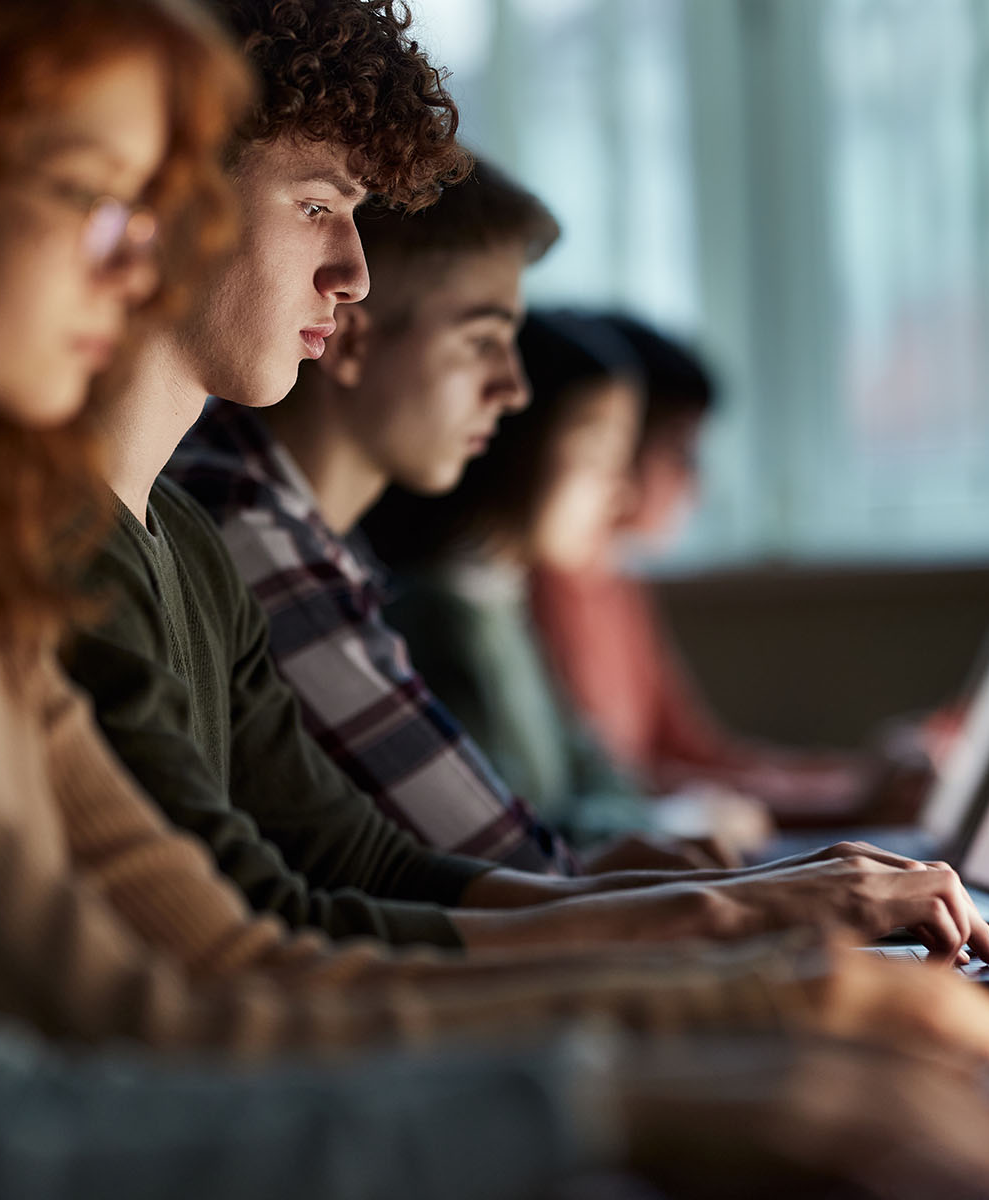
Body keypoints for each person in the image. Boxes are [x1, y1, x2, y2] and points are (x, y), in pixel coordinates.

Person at [0, 3, 989, 1196]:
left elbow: (256, 940)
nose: (139, 257)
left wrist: (732, 980)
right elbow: (129, 1021)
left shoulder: (35, 561)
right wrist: (690, 1027)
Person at [72, 0, 989, 962]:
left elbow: (367, 861)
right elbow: (260, 931)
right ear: (173, 198)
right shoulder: (106, 538)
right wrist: (728, 915)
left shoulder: (185, 536)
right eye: (317, 208)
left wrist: (757, 896)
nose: (354, 275)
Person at [169, 157, 741, 873]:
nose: (513, 390)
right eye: (480, 341)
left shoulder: (322, 542)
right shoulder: (248, 523)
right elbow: (510, 867)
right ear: (350, 340)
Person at [360, 310, 766, 857]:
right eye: (595, 455)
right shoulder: (437, 613)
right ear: (511, 443)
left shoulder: (503, 598)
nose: (619, 491)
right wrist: (651, 826)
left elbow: (604, 777)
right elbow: (504, 830)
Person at [529, 313, 917, 822]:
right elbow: (627, 784)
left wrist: (851, 779)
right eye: (679, 452)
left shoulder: (614, 581)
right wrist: (843, 798)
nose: (695, 482)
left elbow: (690, 752)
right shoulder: (536, 592)